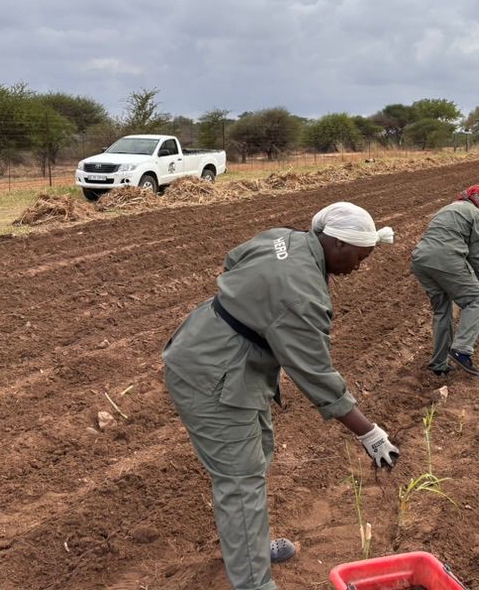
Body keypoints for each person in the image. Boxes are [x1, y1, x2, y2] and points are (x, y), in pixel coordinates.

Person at [162, 202, 400, 590]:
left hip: (222, 351)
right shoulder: (301, 294)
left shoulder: (286, 238)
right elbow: (316, 374)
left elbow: (233, 259)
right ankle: (254, 582)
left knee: (258, 452)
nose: (359, 266)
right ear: (338, 244)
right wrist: (369, 433)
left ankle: (249, 547)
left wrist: (253, 305)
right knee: (240, 480)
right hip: (213, 372)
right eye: (359, 257)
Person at [410, 186, 479, 377]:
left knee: (442, 309)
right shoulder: (477, 215)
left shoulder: (445, 209)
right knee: (477, 299)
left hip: (420, 260)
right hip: (446, 259)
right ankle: (462, 349)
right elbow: (475, 256)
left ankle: (439, 363)